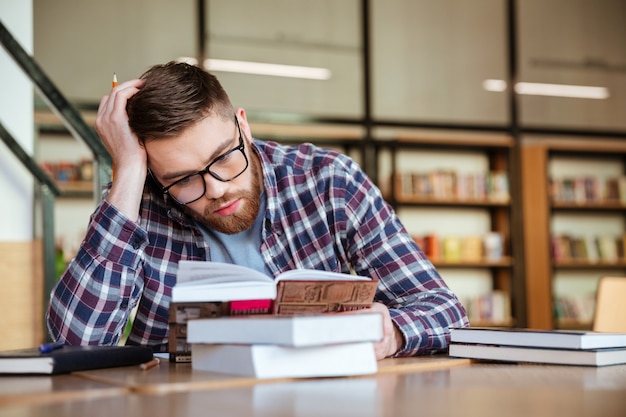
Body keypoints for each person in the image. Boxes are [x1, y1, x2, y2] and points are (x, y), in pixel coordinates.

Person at [46, 61, 469, 359]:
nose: (217, 188)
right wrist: (127, 174)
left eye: (225, 157)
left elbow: (445, 309)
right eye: (183, 179)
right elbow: (77, 344)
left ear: (243, 125)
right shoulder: (138, 201)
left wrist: (392, 333)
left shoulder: (329, 181)